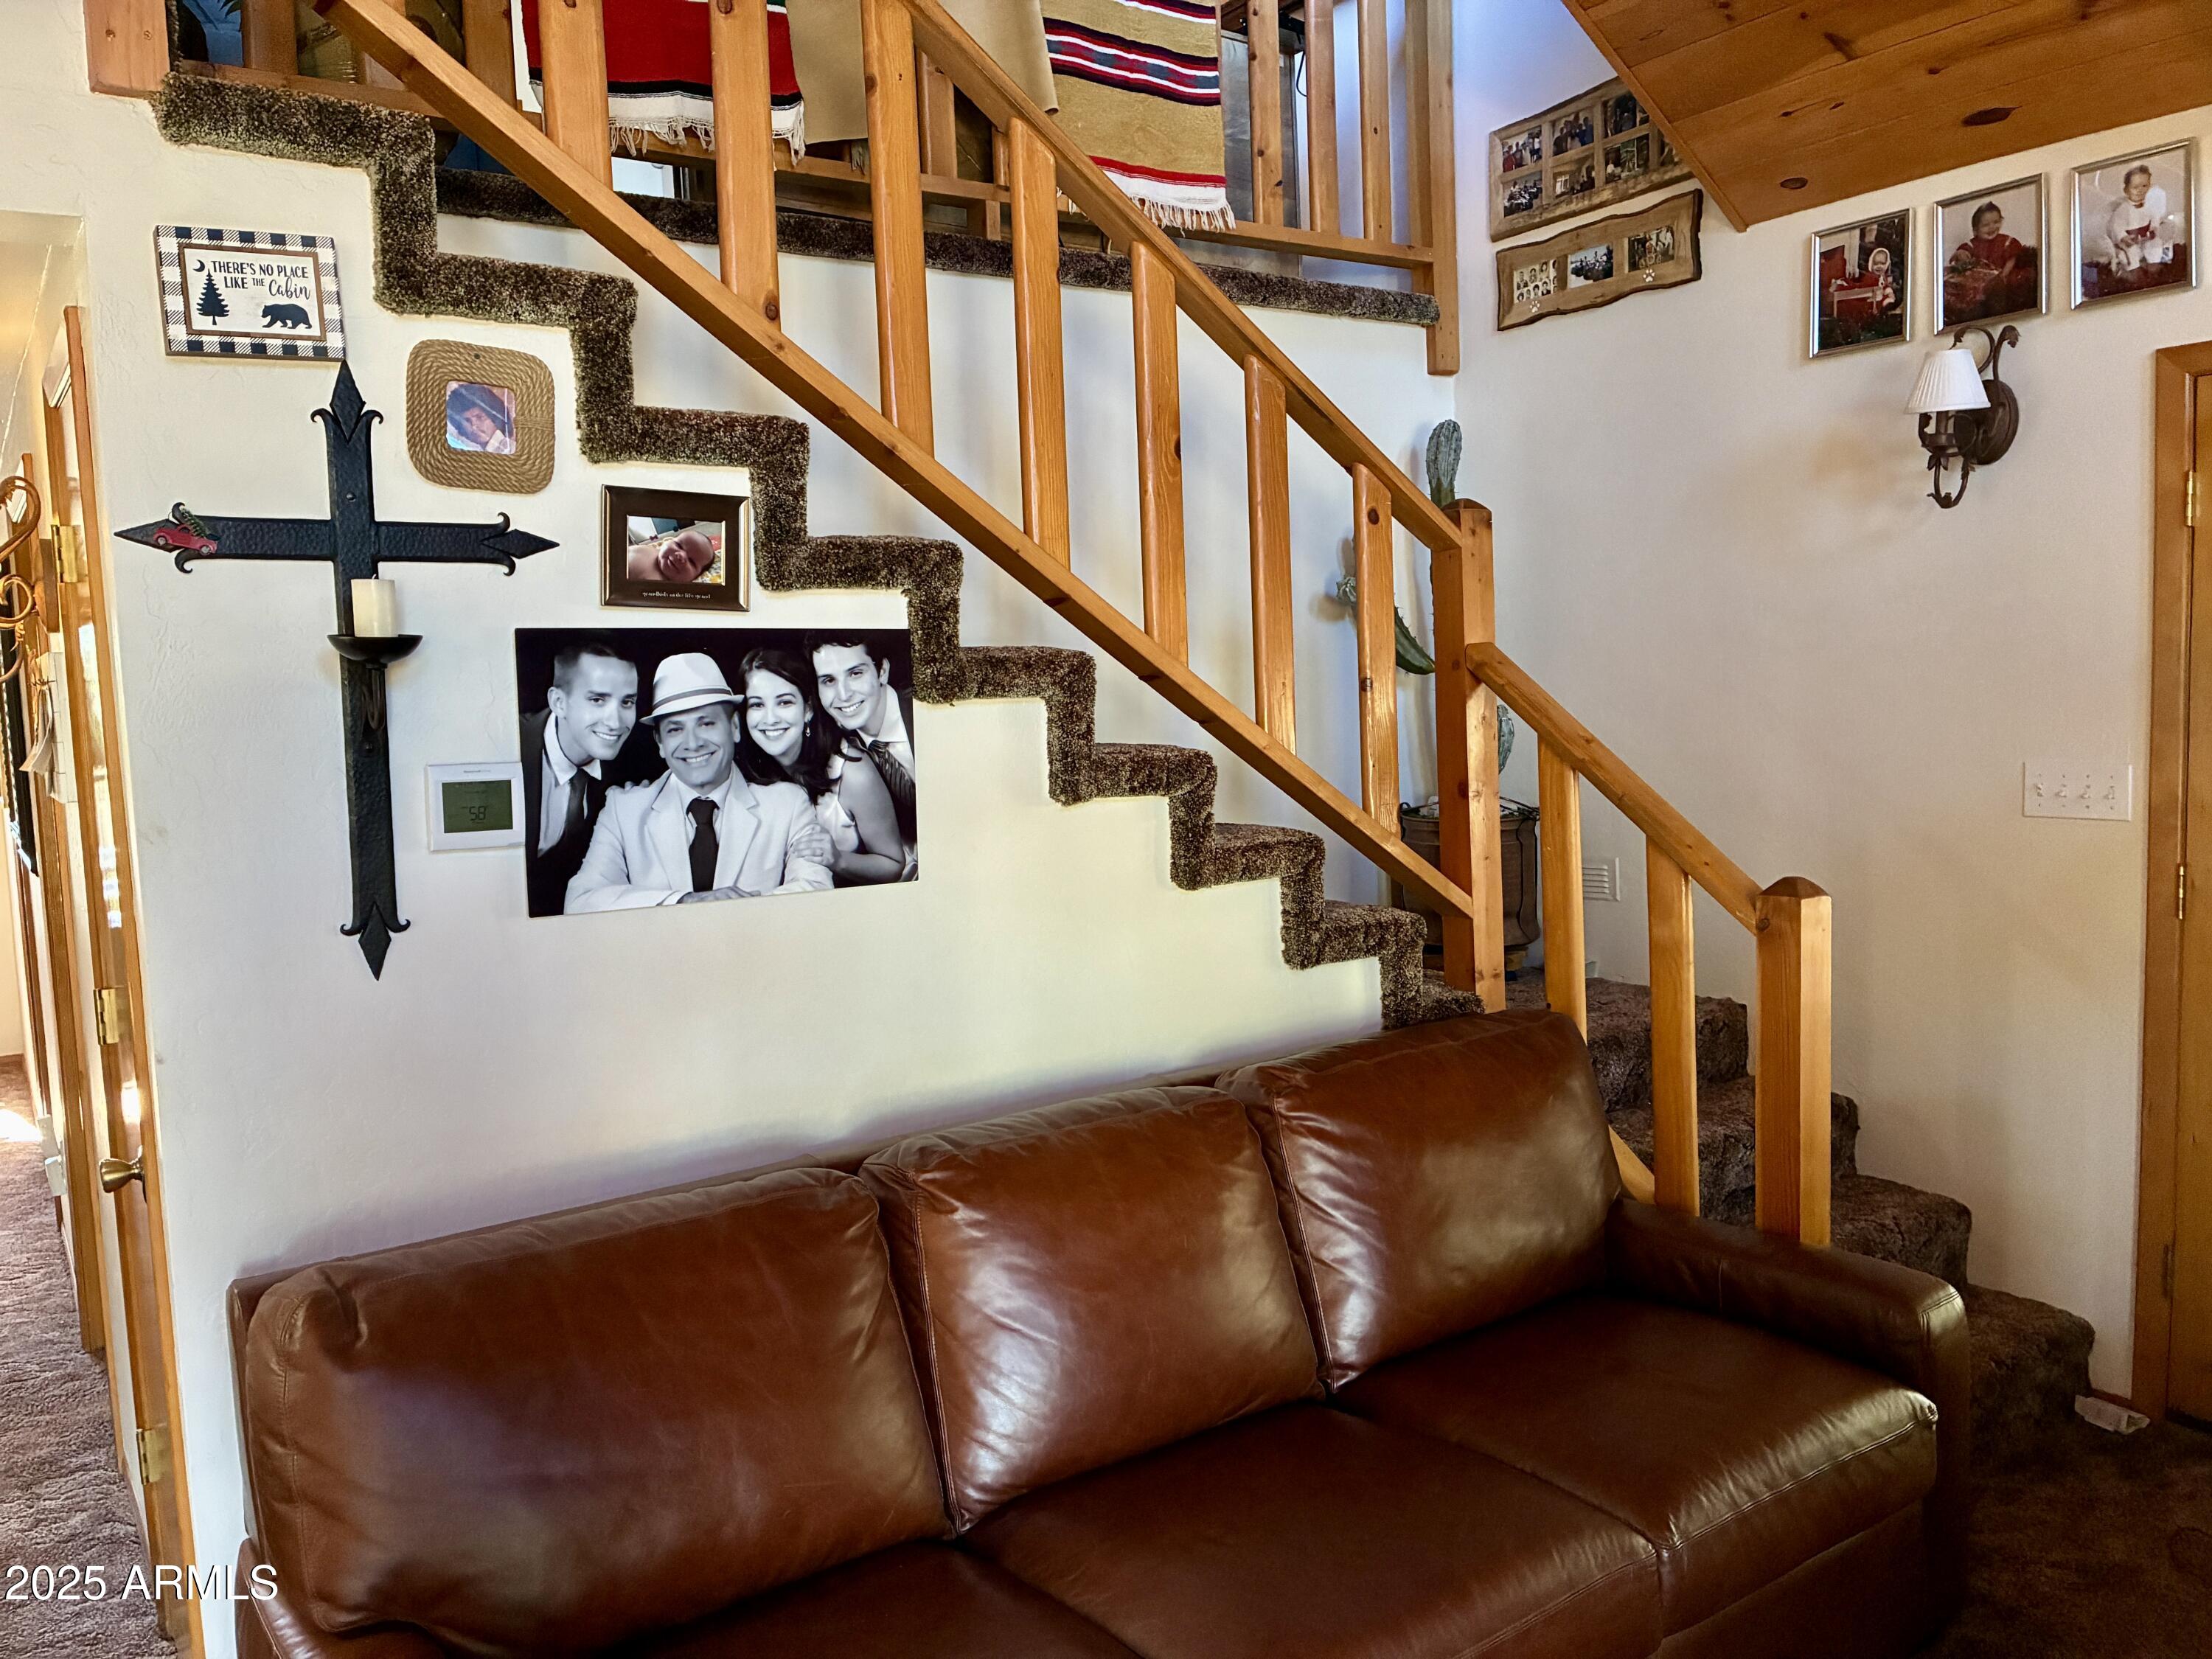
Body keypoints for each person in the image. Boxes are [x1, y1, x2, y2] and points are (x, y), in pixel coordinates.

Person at [565, 652, 832, 911]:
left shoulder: (788, 804)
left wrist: (735, 909)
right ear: (660, 743)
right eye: (676, 729)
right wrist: (685, 902)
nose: (693, 743)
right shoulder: (623, 810)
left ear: (735, 728)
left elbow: (817, 889)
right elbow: (580, 902)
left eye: (706, 723)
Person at [736, 647, 909, 885]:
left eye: (784, 702)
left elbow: (892, 865)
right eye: (757, 705)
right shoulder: (742, 773)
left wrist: (839, 860)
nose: (770, 719)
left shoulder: (853, 772)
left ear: (807, 709)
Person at [520, 641, 639, 918]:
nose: (615, 722)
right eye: (598, 700)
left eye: (627, 702)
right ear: (558, 702)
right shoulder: (510, 747)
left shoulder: (634, 763)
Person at [810, 633, 916, 851]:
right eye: (829, 680)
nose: (844, 694)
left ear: (882, 672)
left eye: (856, 674)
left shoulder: (922, 712)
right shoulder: (837, 747)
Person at [1947, 201, 2027, 316]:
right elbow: (1964, 252)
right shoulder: (1973, 244)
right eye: (1986, 225)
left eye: (1996, 222)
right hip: (1980, 282)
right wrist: (1961, 253)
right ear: (1975, 230)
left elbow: (2012, 259)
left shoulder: (2006, 241)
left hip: (2001, 277)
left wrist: (2004, 275)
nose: (1992, 227)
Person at [2106, 164, 2172, 276]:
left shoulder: (2150, 206)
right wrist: (2123, 237)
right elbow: (2115, 226)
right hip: (2131, 240)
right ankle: (2134, 273)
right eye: (2135, 187)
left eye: (2144, 186)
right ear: (2126, 190)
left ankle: (2154, 267)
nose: (2140, 191)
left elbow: (2155, 217)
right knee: (2131, 255)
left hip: (2147, 236)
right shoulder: (2123, 210)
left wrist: (2154, 228)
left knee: (2155, 246)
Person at [625, 522, 719, 585]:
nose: (681, 555)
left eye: (692, 562)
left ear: (695, 578)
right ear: (669, 541)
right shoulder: (649, 550)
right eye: (679, 545)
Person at [446, 382, 515, 455]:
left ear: (495, 418)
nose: (474, 427)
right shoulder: (465, 451)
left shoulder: (510, 451)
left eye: (480, 417)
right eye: (467, 421)